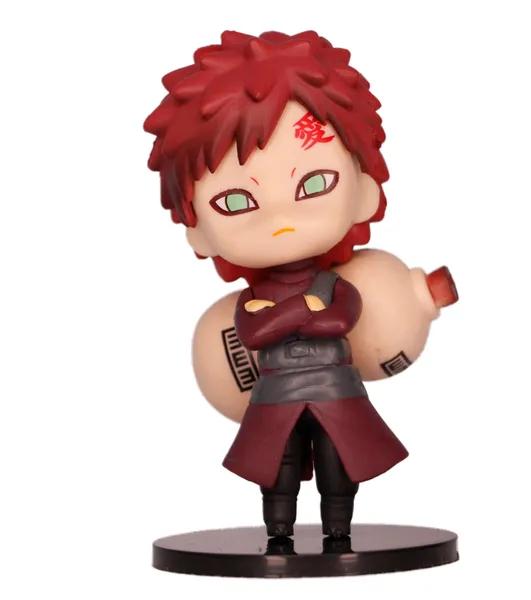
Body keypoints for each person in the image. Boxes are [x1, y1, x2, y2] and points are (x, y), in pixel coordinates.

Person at [144, 30, 409, 538]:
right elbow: (256, 332)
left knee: (339, 467)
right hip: (273, 401)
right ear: (198, 231)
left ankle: (338, 533)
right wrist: (303, 312)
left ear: (364, 191)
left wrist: (288, 316)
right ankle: (279, 534)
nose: (280, 218)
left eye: (313, 184)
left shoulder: (330, 285)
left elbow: (338, 320)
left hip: (337, 393)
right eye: (236, 201)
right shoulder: (258, 298)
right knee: (278, 473)